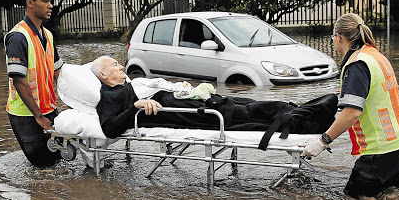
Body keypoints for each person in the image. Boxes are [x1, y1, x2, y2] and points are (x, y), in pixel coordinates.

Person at [90, 55, 338, 143]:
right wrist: (136, 107)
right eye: (114, 65)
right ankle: (304, 120)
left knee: (239, 104)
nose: (120, 65)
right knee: (238, 116)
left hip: (183, 101)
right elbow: (110, 128)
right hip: (174, 112)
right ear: (103, 74)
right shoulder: (108, 94)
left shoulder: (131, 83)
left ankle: (302, 109)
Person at [302, 13, 399, 199]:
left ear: (339, 37)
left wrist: (322, 141)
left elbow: (352, 113)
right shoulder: (375, 55)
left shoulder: (357, 64)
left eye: (333, 37)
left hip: (381, 151)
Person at [5, 0, 64, 167]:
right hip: (27, 115)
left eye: (50, 1)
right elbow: (19, 80)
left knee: (57, 162)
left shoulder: (47, 35)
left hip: (48, 109)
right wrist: (38, 117)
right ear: (30, 3)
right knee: (42, 167)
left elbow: (58, 73)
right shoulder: (18, 37)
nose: (51, 5)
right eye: (45, 1)